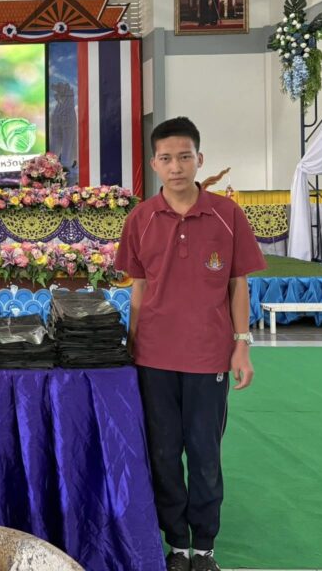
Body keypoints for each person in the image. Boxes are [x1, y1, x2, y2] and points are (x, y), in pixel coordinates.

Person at [114, 116, 265, 571]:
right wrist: (131, 345)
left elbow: (238, 285)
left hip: (207, 356)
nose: (176, 166)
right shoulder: (141, 218)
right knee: (162, 454)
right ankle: (177, 544)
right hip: (154, 357)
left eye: (184, 157)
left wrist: (241, 345)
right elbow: (138, 289)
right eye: (166, 158)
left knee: (204, 455)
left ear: (199, 159)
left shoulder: (227, 215)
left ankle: (204, 547)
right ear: (154, 164)